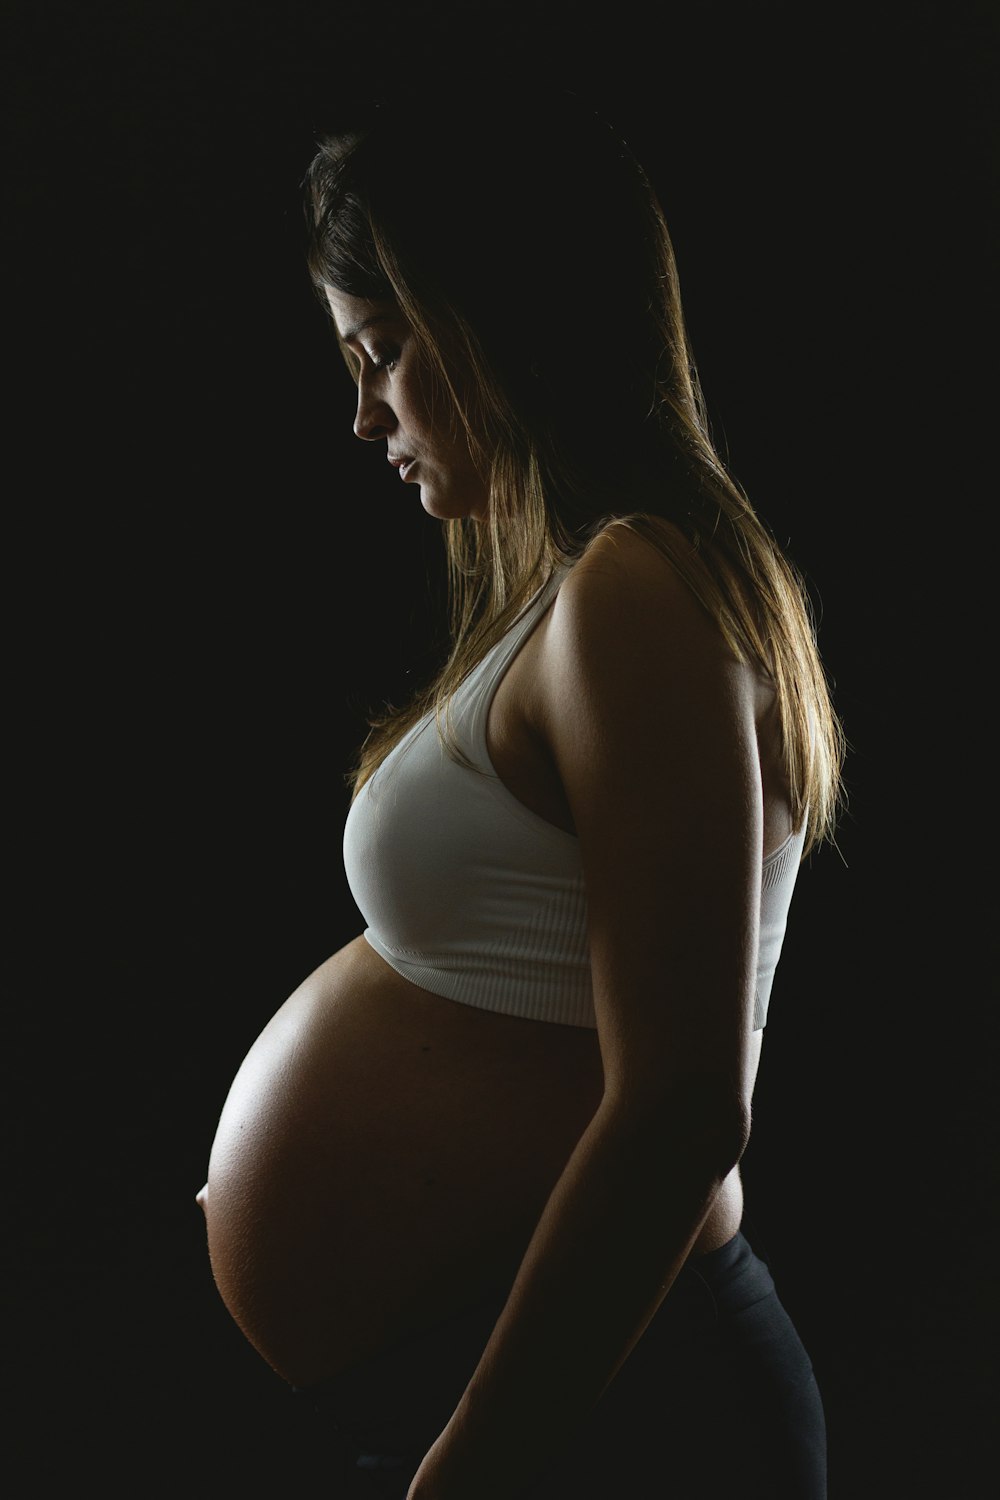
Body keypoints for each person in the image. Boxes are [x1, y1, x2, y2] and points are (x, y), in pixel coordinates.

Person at [197, 82, 844, 1498]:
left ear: (494, 319)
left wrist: (470, 1467)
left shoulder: (637, 592)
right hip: (541, 1384)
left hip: (615, 1403)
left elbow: (684, 1106)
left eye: (382, 352)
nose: (364, 416)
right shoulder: (585, 592)